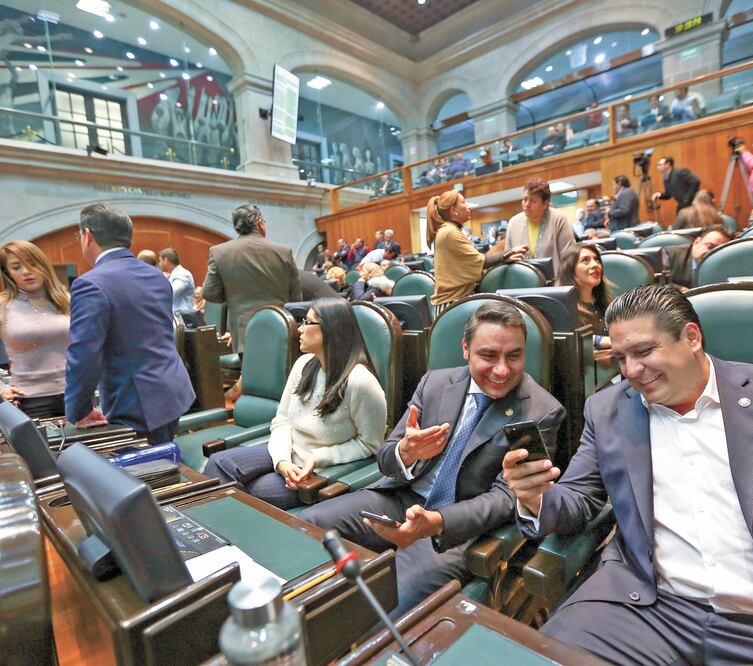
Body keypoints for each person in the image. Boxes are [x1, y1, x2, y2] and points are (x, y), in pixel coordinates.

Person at [503, 285, 753, 666]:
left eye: (644, 352)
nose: (631, 371)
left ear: (691, 337)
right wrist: (534, 497)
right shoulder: (608, 409)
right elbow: (579, 499)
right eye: (621, 357)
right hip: (648, 607)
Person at [301, 302, 566, 617]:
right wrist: (406, 453)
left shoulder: (541, 411)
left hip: (456, 528)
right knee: (306, 531)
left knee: (384, 601)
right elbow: (387, 456)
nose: (502, 370)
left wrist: (437, 523)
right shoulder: (435, 383)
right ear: (466, 349)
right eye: (489, 355)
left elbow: (508, 498)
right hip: (398, 500)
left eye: (514, 356)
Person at [204, 298, 386, 510]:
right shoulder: (304, 364)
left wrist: (317, 458)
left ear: (330, 330)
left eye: (308, 322)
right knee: (217, 463)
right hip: (289, 451)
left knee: (248, 491)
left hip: (316, 465)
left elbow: (370, 445)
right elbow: (282, 420)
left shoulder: (361, 382)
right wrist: (281, 461)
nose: (300, 329)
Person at [66, 204, 195, 440]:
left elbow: (84, 355)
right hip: (172, 390)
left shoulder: (90, 284)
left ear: (87, 236)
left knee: (147, 473)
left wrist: (79, 410)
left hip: (134, 402)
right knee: (165, 461)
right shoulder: (155, 275)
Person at [202, 204, 301, 355]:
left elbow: (209, 293)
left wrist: (232, 296)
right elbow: (295, 298)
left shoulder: (219, 253)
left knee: (251, 377)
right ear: (260, 222)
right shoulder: (284, 252)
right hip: (282, 331)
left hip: (244, 334)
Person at [0, 241, 70, 418]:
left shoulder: (67, 301)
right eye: (16, 267)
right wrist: (1, 389)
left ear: (43, 264)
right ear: (8, 273)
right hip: (29, 400)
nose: (26, 271)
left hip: (76, 395)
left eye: (32, 263)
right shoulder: (3, 305)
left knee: (85, 446)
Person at [427, 190, 526, 314]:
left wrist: (503, 258)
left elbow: (472, 262)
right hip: (451, 305)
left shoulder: (447, 230)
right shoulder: (449, 232)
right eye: (463, 203)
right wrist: (509, 252)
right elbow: (481, 261)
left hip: (455, 302)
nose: (468, 207)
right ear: (453, 210)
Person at [506, 178, 575, 275]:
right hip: (522, 285)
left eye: (533, 201)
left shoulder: (559, 219)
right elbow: (507, 258)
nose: (527, 205)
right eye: (525, 199)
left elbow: (569, 257)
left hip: (556, 285)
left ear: (545, 204)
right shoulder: (513, 223)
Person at [557, 245, 612, 349]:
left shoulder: (609, 304)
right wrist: (601, 341)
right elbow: (573, 340)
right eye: (585, 260)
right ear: (570, 270)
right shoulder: (564, 311)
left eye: (597, 260)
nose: (595, 264)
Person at [665, 224, 732, 291]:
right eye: (710, 247)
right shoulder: (670, 255)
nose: (713, 254)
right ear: (696, 242)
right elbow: (658, 284)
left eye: (720, 251)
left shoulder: (728, 267)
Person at [158, 247, 199, 325]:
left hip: (183, 320)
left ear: (166, 260)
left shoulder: (182, 274)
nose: (159, 263)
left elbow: (172, 292)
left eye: (160, 260)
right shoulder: (175, 274)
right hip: (176, 318)